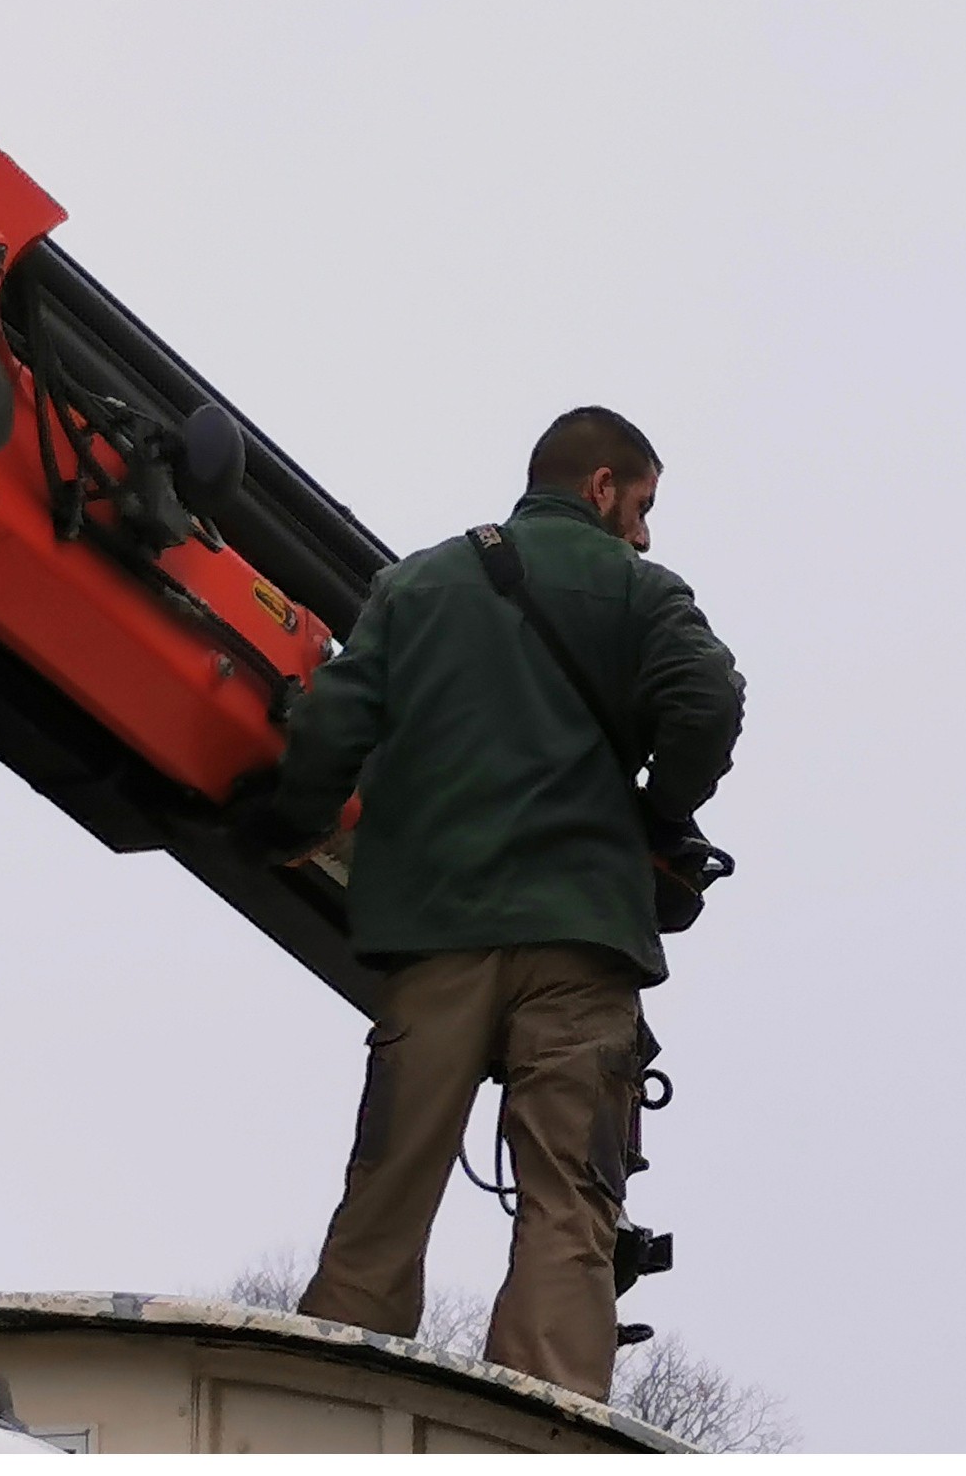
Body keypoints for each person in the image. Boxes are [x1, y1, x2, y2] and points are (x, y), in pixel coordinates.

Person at [240, 405, 744, 1401]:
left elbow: (334, 718)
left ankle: (333, 1409)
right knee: (569, 1205)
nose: (643, 531)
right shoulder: (640, 592)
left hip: (434, 939)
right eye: (639, 504)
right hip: (581, 944)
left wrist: (294, 822)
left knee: (386, 1192)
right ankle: (544, 1425)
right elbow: (709, 701)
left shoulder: (416, 585)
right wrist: (656, 808)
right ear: (600, 487)